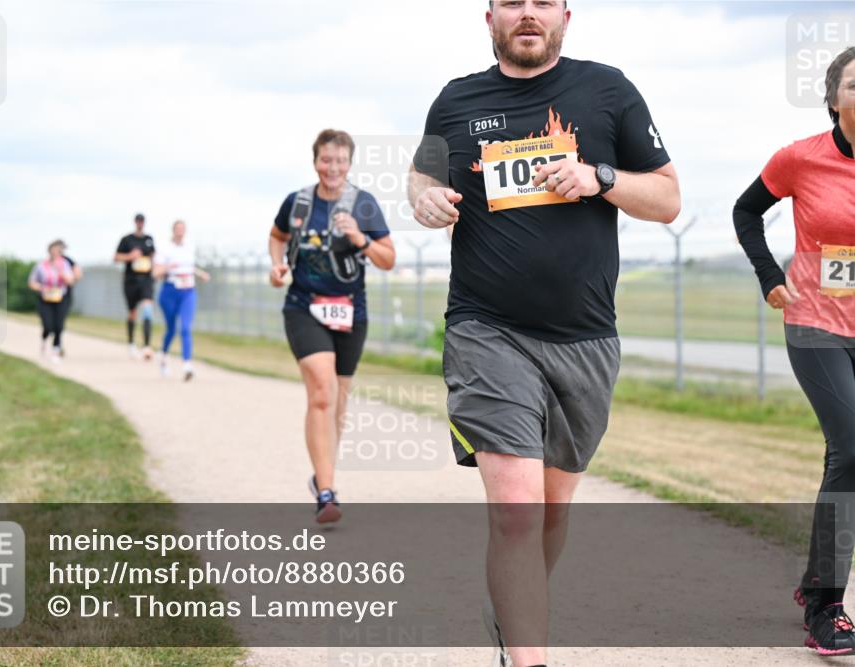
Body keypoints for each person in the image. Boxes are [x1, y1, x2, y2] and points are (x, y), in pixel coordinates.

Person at [409, 2, 680, 665]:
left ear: (565, 14)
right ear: (489, 17)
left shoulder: (607, 90)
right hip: (486, 331)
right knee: (517, 509)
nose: (526, 13)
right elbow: (424, 173)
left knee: (553, 509)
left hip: (585, 339)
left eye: (541, 1)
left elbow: (669, 198)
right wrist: (419, 196)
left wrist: (599, 177)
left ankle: (512, 613)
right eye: (511, 2)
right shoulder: (456, 100)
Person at [733, 47, 855, 656]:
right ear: (834, 98)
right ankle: (827, 605)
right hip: (816, 321)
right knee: (852, 443)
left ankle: (815, 587)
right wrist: (767, 276)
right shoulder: (801, 158)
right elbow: (746, 211)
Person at [268, 129, 396, 524]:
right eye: (326, 160)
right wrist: (277, 266)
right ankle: (327, 493)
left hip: (350, 313)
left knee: (337, 404)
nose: (333, 168)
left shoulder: (364, 204)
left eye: (340, 161)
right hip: (303, 307)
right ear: (315, 161)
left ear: (349, 164)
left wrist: (360, 238)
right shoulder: (297, 203)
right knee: (321, 393)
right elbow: (277, 237)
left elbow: (388, 258)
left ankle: (320, 476)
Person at [154, 220, 210, 381]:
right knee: (171, 328)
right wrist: (168, 267)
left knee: (185, 327)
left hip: (188, 290)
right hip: (170, 289)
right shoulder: (164, 248)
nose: (180, 231)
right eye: (177, 229)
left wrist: (201, 274)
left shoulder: (189, 246)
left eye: (182, 229)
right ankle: (164, 356)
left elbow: (189, 267)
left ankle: (187, 365)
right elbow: (155, 272)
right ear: (173, 230)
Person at [115, 213, 156, 360]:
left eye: (142, 221)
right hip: (131, 280)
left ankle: (146, 346)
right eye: (138, 221)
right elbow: (116, 257)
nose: (140, 223)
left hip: (146, 280)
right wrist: (130, 256)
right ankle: (131, 343)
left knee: (147, 310)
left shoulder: (149, 239)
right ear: (135, 222)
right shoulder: (127, 240)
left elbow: (153, 257)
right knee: (132, 313)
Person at [28, 240, 75, 364]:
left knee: (59, 325)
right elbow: (32, 282)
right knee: (48, 325)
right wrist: (42, 288)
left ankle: (55, 350)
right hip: (46, 298)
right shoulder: (41, 265)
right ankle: (44, 340)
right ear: (49, 251)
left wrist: (60, 272)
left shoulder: (65, 264)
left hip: (61, 297)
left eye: (58, 251)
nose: (56, 252)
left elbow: (70, 281)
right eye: (54, 250)